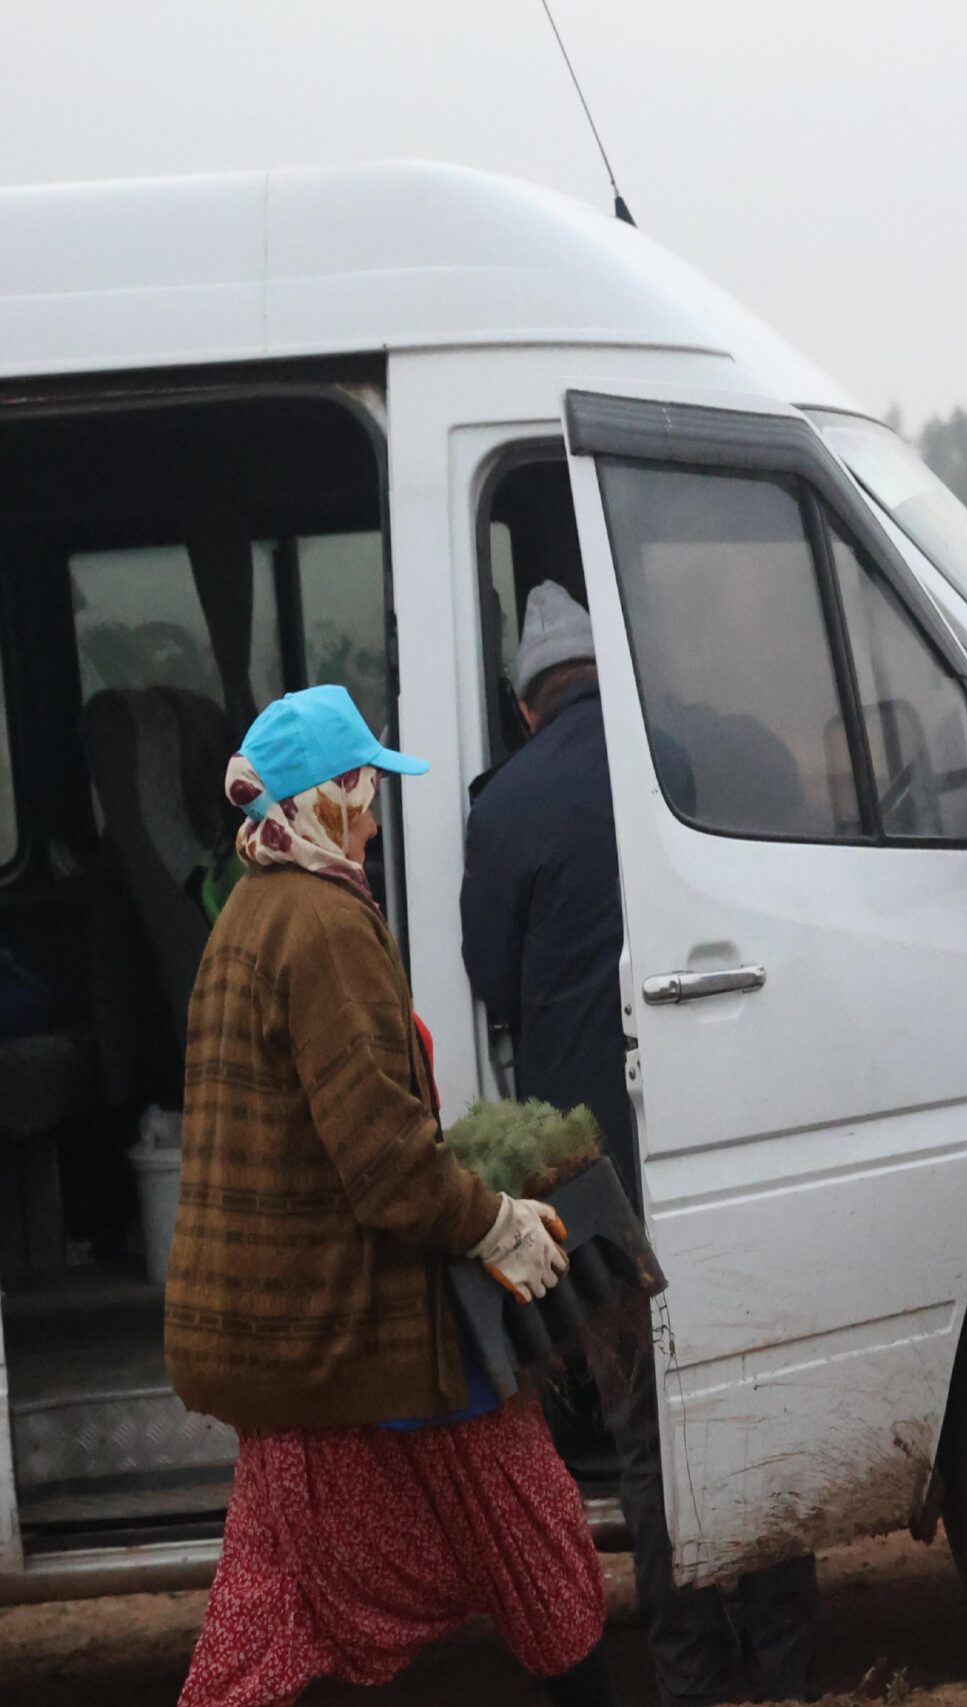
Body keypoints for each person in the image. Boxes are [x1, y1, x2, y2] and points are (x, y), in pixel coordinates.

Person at [166, 684, 615, 1706]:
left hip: (279, 1341)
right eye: (362, 790)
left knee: (269, 1626)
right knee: (541, 1556)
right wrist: (495, 1221)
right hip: (358, 1338)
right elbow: (380, 1160)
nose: (372, 814)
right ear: (322, 803)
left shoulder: (247, 917)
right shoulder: (325, 928)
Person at [463, 583, 819, 1707]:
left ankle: (689, 1679)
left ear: (526, 706)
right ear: (606, 683)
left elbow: (487, 984)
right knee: (746, 1398)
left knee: (646, 1434)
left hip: (589, 1174)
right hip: (706, 1128)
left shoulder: (504, 805)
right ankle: (784, 1667)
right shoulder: (661, 755)